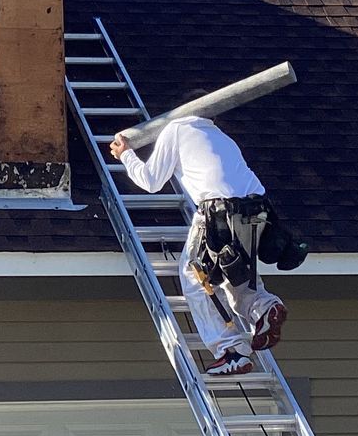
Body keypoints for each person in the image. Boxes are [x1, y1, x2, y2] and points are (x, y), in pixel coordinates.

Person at [110, 115, 288, 377]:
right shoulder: (223, 137)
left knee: (196, 278)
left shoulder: (177, 127)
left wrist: (126, 155)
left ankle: (230, 351)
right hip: (258, 208)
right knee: (237, 273)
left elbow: (151, 181)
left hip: (219, 211)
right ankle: (264, 307)